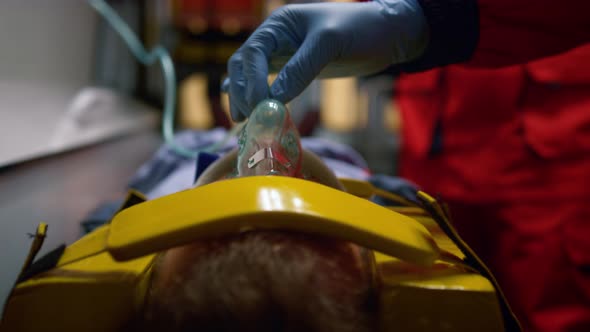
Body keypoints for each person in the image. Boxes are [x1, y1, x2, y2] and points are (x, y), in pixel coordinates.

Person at [224, 1, 590, 332]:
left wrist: (421, 19)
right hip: (434, 150)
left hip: (548, 152)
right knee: (432, 308)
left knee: (551, 308)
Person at [129, 148, 378, 332]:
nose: (268, 178)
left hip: (189, 155)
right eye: (306, 229)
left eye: (221, 227)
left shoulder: (151, 200)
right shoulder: (379, 200)